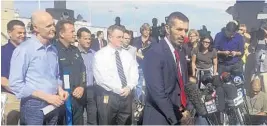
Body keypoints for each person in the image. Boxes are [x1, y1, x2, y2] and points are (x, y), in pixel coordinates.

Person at [9, 11, 69, 125]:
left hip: (54, 103)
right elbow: (16, 83)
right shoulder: (24, 50)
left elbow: (55, 76)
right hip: (33, 106)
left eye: (53, 24)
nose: (53, 28)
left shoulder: (53, 50)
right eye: (48, 26)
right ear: (36, 28)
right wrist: (46, 97)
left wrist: (60, 90)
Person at [142, 11, 191, 125]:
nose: (183, 34)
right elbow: (158, 93)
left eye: (186, 30)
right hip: (160, 118)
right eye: (179, 29)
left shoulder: (181, 53)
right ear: (167, 29)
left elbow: (184, 85)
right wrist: (176, 118)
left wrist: (187, 109)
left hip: (180, 116)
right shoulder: (154, 53)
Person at [93, 25, 138, 125]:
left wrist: (129, 87)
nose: (122, 40)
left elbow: (134, 73)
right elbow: (101, 79)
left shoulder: (127, 55)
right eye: (119, 37)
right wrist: (118, 89)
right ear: (109, 37)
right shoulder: (100, 55)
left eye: (122, 37)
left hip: (126, 97)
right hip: (109, 96)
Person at [54, 20, 86, 125]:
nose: (74, 34)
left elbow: (83, 70)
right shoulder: (53, 50)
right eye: (71, 31)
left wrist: (82, 86)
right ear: (61, 34)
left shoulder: (75, 50)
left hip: (77, 97)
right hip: (62, 99)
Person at [1, 20, 26, 125]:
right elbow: (3, 80)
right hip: (12, 97)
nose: (23, 35)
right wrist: (21, 92)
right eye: (19, 33)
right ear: (9, 33)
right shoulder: (3, 52)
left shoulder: (28, 51)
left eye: (24, 33)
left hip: (30, 97)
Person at [76, 27, 97, 125]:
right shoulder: (74, 53)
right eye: (85, 38)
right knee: (79, 118)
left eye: (89, 38)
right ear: (78, 39)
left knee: (93, 117)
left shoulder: (94, 54)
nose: (88, 41)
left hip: (91, 90)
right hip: (78, 90)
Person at [132, 23, 156, 103]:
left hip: (149, 65)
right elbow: (134, 51)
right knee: (138, 84)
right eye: (145, 30)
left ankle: (148, 100)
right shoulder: (136, 40)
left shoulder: (153, 40)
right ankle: (139, 101)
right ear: (142, 30)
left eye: (148, 30)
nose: (147, 32)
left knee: (148, 84)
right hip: (138, 65)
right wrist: (140, 55)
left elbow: (155, 52)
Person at [253, 23, 267, 93]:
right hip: (257, 68)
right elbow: (252, 47)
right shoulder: (258, 39)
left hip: (265, 69)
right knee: (256, 87)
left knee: (265, 87)